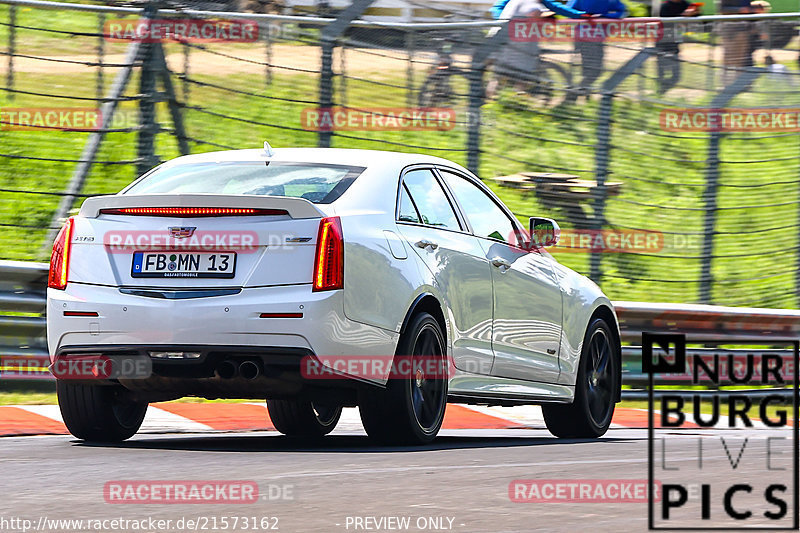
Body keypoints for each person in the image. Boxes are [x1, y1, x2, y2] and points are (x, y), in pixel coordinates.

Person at [543, 0, 628, 101]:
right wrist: (605, 17)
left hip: (589, 37)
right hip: (588, 37)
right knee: (594, 70)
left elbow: (569, 11)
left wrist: (605, 18)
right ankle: (577, 93)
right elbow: (622, 11)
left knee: (590, 69)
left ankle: (582, 93)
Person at [656, 0, 699, 94]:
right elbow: (668, 22)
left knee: (676, 75)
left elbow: (697, 16)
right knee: (662, 71)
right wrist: (684, 15)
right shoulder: (665, 6)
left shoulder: (685, 4)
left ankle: (662, 90)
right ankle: (659, 92)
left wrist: (695, 11)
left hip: (675, 42)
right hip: (662, 41)